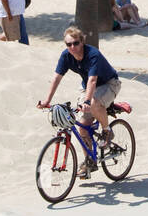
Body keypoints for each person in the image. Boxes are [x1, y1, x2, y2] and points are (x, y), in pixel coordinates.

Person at [38, 27, 123, 179]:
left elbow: (93, 80)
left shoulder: (92, 54)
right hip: (88, 88)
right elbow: (57, 77)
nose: (72, 47)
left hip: (109, 83)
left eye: (75, 43)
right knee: (83, 128)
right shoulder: (66, 56)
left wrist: (86, 101)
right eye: (68, 44)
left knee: (95, 103)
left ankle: (106, 130)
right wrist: (47, 101)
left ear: (82, 42)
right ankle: (90, 161)